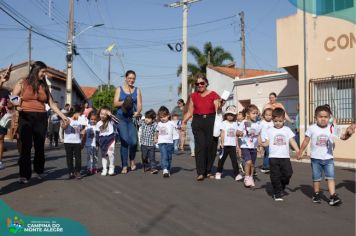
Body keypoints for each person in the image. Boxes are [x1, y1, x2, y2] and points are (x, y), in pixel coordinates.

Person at [11, 61, 68, 184]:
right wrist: (16, 107)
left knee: (39, 146)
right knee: (26, 147)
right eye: (42, 71)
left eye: (45, 71)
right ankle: (24, 175)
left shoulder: (44, 86)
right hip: (25, 116)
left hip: (41, 117)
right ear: (35, 70)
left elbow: (51, 104)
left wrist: (63, 116)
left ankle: (39, 171)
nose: (44, 74)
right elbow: (13, 96)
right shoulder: (22, 82)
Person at [297, 105, 342, 206]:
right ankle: (316, 194)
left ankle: (333, 196)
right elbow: (306, 140)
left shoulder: (332, 127)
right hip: (315, 159)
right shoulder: (312, 128)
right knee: (316, 178)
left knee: (331, 177)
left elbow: (341, 136)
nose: (323, 119)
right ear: (315, 117)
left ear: (329, 117)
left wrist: (347, 132)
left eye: (326, 117)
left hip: (328, 158)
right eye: (320, 117)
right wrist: (300, 151)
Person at [182, 74, 222, 181]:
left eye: (202, 83)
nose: (200, 85)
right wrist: (184, 122)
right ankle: (200, 172)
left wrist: (220, 104)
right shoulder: (193, 96)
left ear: (206, 83)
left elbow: (217, 108)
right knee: (200, 146)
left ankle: (208, 171)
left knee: (211, 146)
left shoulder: (213, 94)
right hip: (198, 121)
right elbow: (190, 111)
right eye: (197, 84)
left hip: (211, 121)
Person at [261, 108, 299, 201]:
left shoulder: (287, 129)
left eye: (280, 121)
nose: (278, 123)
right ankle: (277, 193)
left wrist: (298, 151)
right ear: (273, 120)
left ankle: (281, 185)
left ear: (284, 120)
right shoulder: (269, 130)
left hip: (285, 157)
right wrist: (261, 144)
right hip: (273, 157)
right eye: (275, 121)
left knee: (288, 173)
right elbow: (266, 142)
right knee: (275, 175)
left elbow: (292, 141)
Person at [113, 70, 142, 174]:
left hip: (131, 119)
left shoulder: (137, 90)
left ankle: (132, 159)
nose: (131, 80)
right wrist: (125, 102)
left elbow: (139, 105)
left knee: (134, 142)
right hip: (121, 118)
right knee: (125, 141)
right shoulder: (119, 89)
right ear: (125, 78)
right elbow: (115, 103)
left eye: (133, 78)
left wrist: (137, 112)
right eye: (129, 78)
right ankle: (124, 165)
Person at [215, 105, 243, 181]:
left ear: (234, 116)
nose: (230, 116)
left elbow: (236, 135)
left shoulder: (235, 124)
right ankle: (218, 172)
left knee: (234, 160)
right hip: (224, 145)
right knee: (221, 160)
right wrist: (222, 143)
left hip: (233, 145)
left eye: (232, 115)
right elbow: (222, 133)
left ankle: (237, 174)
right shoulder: (224, 123)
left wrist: (237, 146)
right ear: (226, 115)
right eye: (229, 114)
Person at [237, 104, 262, 188]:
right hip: (245, 146)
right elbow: (237, 132)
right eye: (253, 113)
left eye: (256, 113)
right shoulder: (244, 122)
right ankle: (246, 178)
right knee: (248, 162)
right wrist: (240, 133)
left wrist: (260, 145)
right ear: (248, 114)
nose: (255, 115)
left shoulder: (257, 124)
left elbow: (258, 135)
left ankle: (251, 177)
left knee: (252, 164)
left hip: (253, 147)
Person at [61, 106, 84, 180]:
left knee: (78, 158)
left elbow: (82, 131)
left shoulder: (80, 120)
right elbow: (63, 127)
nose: (79, 116)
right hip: (68, 141)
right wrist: (67, 123)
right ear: (75, 113)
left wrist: (82, 139)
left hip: (77, 142)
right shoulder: (67, 118)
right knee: (69, 157)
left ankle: (77, 172)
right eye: (79, 114)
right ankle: (70, 172)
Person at [96, 106, 117, 176]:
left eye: (105, 114)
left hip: (111, 139)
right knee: (103, 155)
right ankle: (104, 169)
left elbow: (118, 122)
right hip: (102, 140)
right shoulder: (98, 123)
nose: (103, 115)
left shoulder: (111, 121)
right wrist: (97, 144)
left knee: (111, 153)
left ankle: (111, 167)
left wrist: (110, 114)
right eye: (101, 113)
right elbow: (97, 134)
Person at [155, 106, 175, 178]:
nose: (162, 118)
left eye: (164, 116)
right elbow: (157, 131)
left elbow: (177, 127)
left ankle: (168, 169)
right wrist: (156, 138)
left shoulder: (171, 123)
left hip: (170, 142)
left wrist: (182, 126)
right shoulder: (159, 124)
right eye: (161, 117)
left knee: (169, 156)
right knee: (164, 155)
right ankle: (165, 169)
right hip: (161, 142)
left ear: (168, 115)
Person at [138, 109, 158, 174]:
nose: (146, 119)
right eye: (146, 117)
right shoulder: (143, 123)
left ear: (153, 119)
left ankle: (153, 168)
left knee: (152, 157)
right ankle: (145, 164)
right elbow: (137, 122)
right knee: (144, 157)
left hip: (151, 144)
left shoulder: (154, 125)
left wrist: (155, 138)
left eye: (149, 118)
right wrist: (138, 115)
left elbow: (156, 132)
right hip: (143, 144)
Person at [83, 110, 98, 175]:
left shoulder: (97, 127)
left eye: (95, 119)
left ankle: (94, 168)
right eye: (91, 119)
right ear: (89, 119)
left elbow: (99, 136)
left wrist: (98, 144)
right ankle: (89, 168)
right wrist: (82, 143)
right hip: (89, 144)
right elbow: (84, 134)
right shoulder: (87, 126)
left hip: (96, 144)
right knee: (89, 156)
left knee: (95, 157)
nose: (93, 121)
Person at [260, 108, 273, 173]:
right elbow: (259, 131)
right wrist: (260, 142)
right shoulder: (262, 123)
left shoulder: (273, 122)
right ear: (264, 115)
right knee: (269, 153)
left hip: (271, 141)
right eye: (266, 115)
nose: (268, 116)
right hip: (264, 141)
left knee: (266, 154)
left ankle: (264, 166)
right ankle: (267, 167)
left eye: (269, 115)